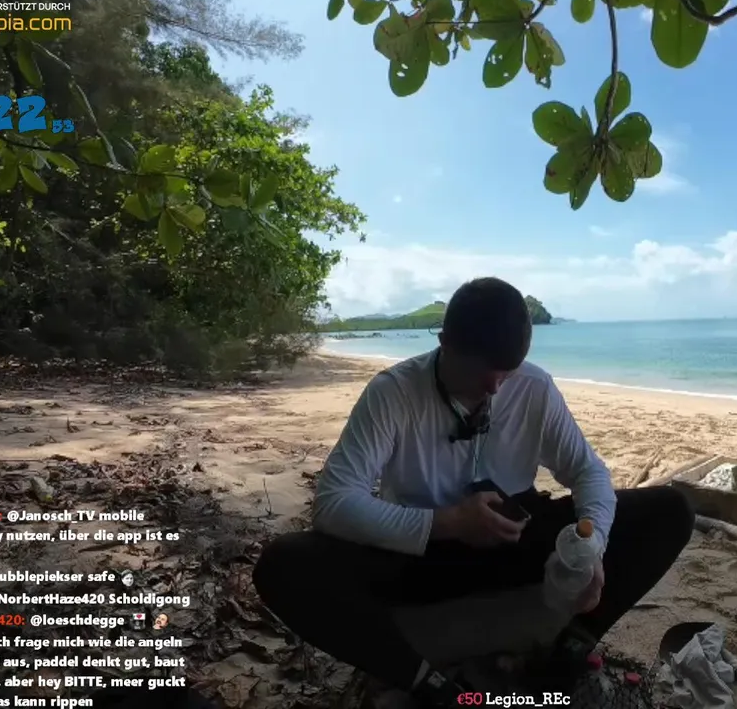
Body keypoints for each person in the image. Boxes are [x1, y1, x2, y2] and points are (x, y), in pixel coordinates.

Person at [253, 277, 695, 706]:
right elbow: (333, 502)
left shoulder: (533, 387)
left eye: (507, 372)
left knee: (670, 510)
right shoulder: (394, 393)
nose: (495, 386)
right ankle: (430, 685)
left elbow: (588, 472)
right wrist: (447, 523)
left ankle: (570, 648)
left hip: (513, 541)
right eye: (481, 372)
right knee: (283, 564)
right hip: (420, 554)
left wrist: (590, 544)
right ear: (444, 343)